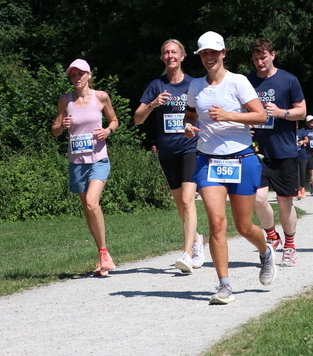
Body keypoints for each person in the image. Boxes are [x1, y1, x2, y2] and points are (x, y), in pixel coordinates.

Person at [184, 31, 276, 305]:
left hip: (241, 159)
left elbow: (260, 116)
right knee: (216, 223)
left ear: (223, 53)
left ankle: (265, 252)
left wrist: (228, 115)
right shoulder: (196, 86)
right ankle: (224, 285)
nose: (209, 57)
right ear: (200, 56)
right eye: (204, 53)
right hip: (208, 160)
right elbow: (190, 114)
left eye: (214, 52)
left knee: (244, 226)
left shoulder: (238, 82)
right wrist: (189, 126)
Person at [134, 39, 204, 274]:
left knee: (187, 199)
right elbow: (137, 119)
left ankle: (186, 254)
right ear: (162, 57)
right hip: (167, 151)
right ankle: (197, 239)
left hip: (190, 147)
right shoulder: (157, 85)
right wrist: (153, 104)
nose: (170, 55)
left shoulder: (193, 84)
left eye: (174, 52)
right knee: (179, 204)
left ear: (182, 56)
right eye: (166, 52)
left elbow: (204, 113)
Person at [52, 59, 119, 276]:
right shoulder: (66, 100)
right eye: (73, 75)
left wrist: (107, 131)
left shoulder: (101, 97)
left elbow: (114, 120)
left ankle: (105, 255)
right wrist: (61, 126)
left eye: (80, 74)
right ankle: (102, 254)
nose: (76, 78)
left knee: (92, 202)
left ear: (89, 75)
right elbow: (55, 129)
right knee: (88, 210)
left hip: (99, 159)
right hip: (77, 163)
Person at [247, 39, 306, 267]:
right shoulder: (247, 82)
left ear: (273, 55)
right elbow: (240, 111)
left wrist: (281, 113)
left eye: (263, 57)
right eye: (256, 59)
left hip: (284, 150)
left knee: (285, 201)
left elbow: (302, 112)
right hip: (256, 151)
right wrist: (246, 125)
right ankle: (272, 236)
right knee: (258, 198)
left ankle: (290, 245)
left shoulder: (288, 80)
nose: (260, 62)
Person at [296, 123, 309, 199]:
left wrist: (303, 142)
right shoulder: (289, 132)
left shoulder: (301, 131)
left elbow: (307, 140)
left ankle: (302, 188)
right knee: (296, 173)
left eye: (296, 124)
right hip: (293, 155)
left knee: (302, 173)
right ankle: (298, 190)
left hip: (302, 154)